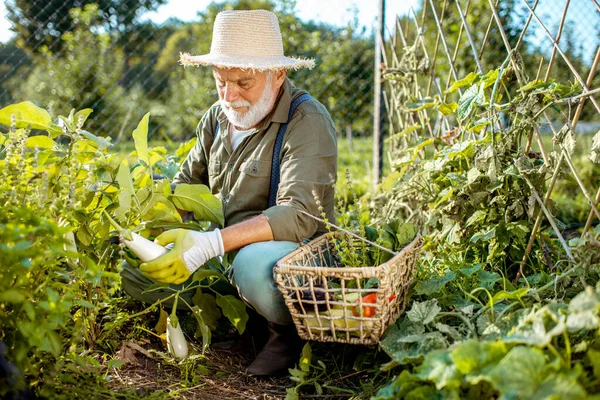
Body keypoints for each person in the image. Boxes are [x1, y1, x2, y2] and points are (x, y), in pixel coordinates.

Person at [120, 9, 337, 376]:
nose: (230, 94)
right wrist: (157, 228)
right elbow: (185, 188)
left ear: (278, 74)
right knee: (137, 271)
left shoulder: (306, 120)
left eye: (243, 82)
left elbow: (299, 214)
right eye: (221, 81)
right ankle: (238, 321)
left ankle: (285, 335)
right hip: (224, 250)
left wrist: (209, 245)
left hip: (292, 259)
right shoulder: (217, 118)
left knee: (254, 267)